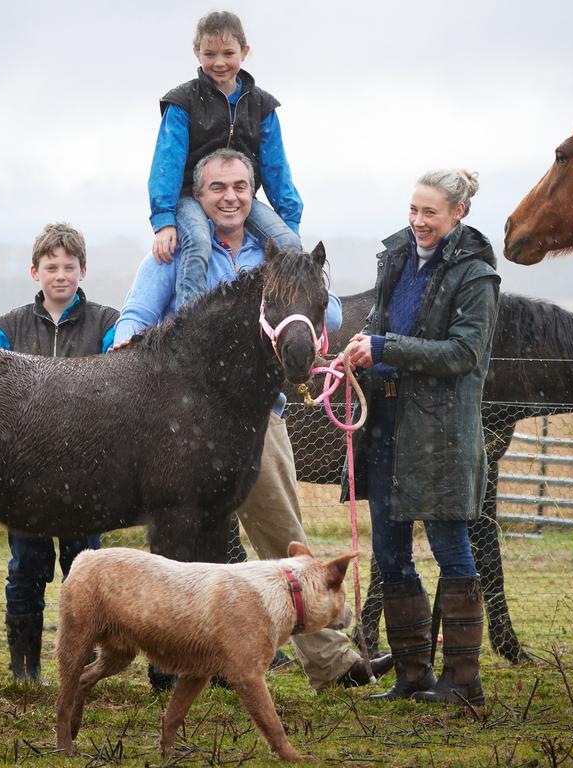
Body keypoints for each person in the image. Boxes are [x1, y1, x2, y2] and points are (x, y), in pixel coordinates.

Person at [115, 148, 392, 692]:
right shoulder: (175, 256)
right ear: (199, 195)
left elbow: (329, 314)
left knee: (282, 535)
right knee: (191, 545)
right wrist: (121, 356)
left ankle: (333, 664)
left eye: (241, 186)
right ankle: (191, 657)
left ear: (253, 192)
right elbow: (135, 317)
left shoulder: (276, 254)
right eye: (218, 188)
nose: (231, 197)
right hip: (188, 429)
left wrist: (300, 282)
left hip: (261, 420)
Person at [345, 169, 500, 705]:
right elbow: (378, 321)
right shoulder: (397, 259)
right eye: (413, 210)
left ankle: (464, 683)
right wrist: (361, 347)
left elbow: (463, 355)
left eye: (429, 212)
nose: (417, 222)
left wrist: (385, 346)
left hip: (440, 434)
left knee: (450, 551)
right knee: (390, 555)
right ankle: (412, 673)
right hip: (385, 428)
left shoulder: (477, 278)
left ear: (459, 213)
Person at [0, 222, 120, 682]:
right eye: (51, 266)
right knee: (26, 568)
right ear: (34, 272)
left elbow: (117, 390)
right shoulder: (10, 329)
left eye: (69, 266)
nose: (60, 274)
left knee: (85, 572)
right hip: (24, 477)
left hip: (87, 476)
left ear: (84, 270)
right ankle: (25, 672)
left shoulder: (109, 324)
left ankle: (82, 670)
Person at [149, 10, 302, 313]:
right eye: (210, 53)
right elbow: (166, 162)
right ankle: (188, 324)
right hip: (188, 196)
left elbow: (276, 168)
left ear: (245, 52)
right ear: (197, 52)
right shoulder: (183, 102)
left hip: (238, 196)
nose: (219, 62)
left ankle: (285, 317)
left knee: (290, 247)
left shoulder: (262, 105)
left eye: (228, 53)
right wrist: (164, 221)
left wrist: (290, 219)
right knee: (199, 244)